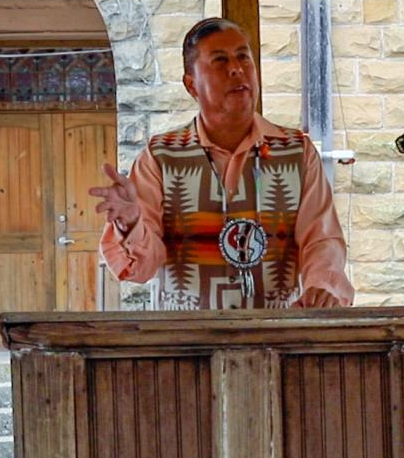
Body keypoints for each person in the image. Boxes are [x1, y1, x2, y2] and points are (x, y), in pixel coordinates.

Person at [91, 17, 354, 310]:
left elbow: (322, 240)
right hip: (189, 345)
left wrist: (322, 288)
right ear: (191, 85)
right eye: (219, 60)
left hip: (277, 339)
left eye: (244, 57)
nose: (236, 68)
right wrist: (129, 222)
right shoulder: (161, 157)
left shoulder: (296, 151)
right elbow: (140, 269)